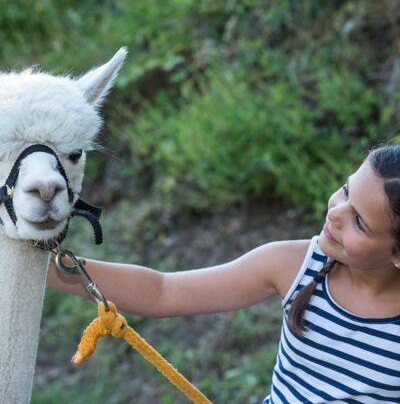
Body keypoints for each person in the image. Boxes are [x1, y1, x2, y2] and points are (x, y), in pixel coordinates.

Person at [47, 145, 400, 403]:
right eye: (345, 191)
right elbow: (164, 291)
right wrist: (45, 268)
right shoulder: (293, 264)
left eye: (359, 221)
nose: (336, 212)